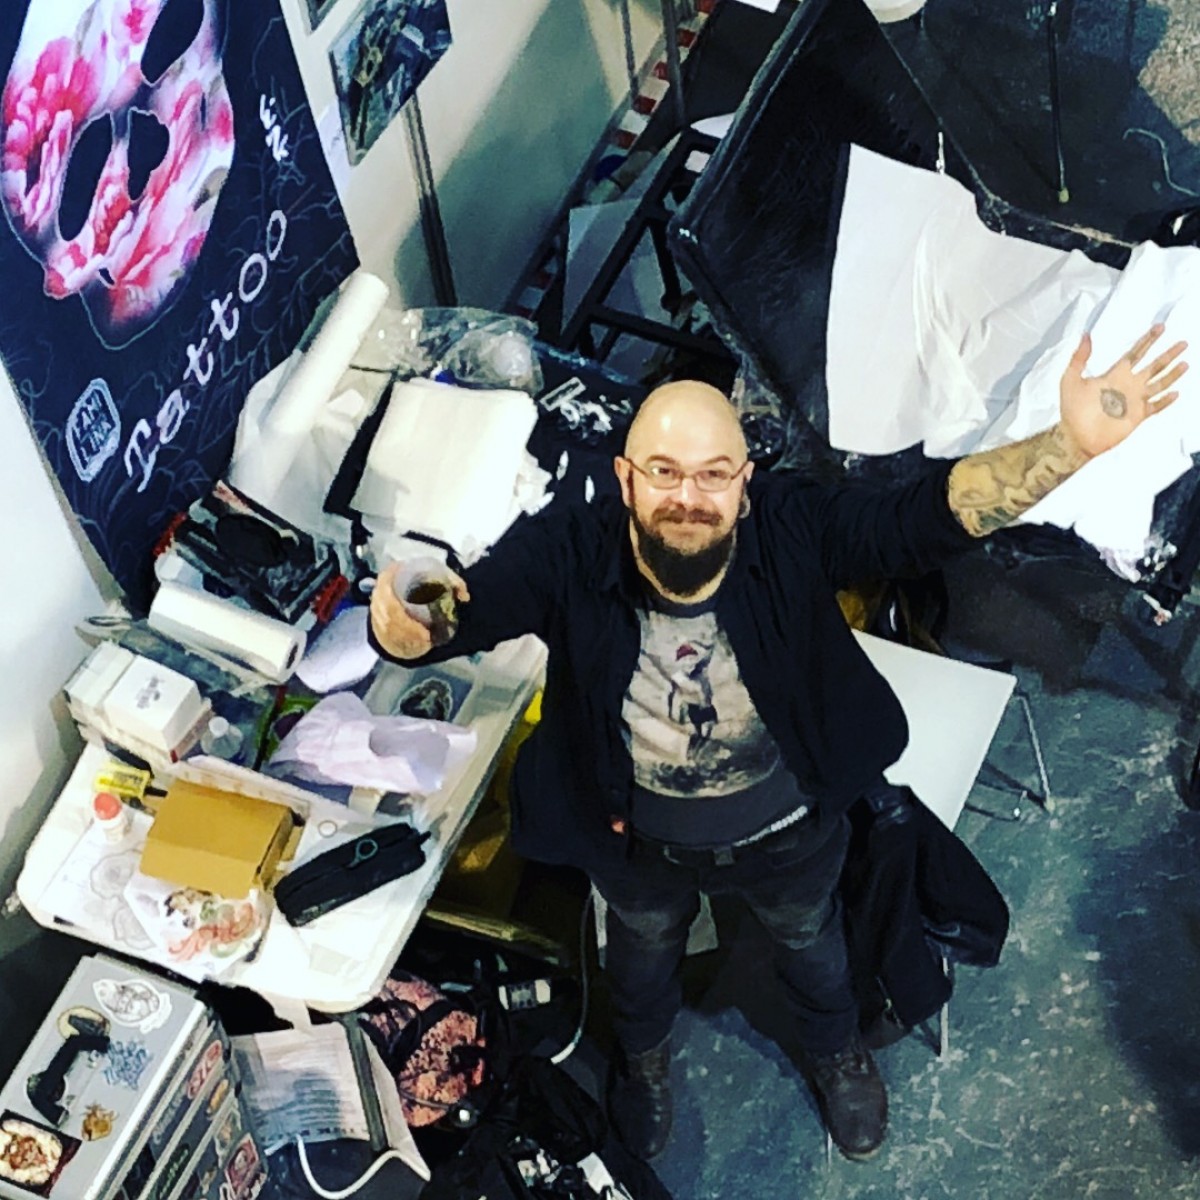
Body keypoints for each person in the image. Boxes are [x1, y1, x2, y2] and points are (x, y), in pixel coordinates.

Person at [369, 325, 1186, 1162]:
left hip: (790, 835)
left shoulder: (793, 525)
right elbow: (461, 612)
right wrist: (408, 619)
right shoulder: (570, 548)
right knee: (640, 961)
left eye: (713, 474)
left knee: (813, 946)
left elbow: (923, 517)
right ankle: (645, 1065)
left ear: (745, 485)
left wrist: (1066, 447)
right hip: (633, 848)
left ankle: (836, 1052)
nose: (688, 496)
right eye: (664, 472)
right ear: (625, 478)